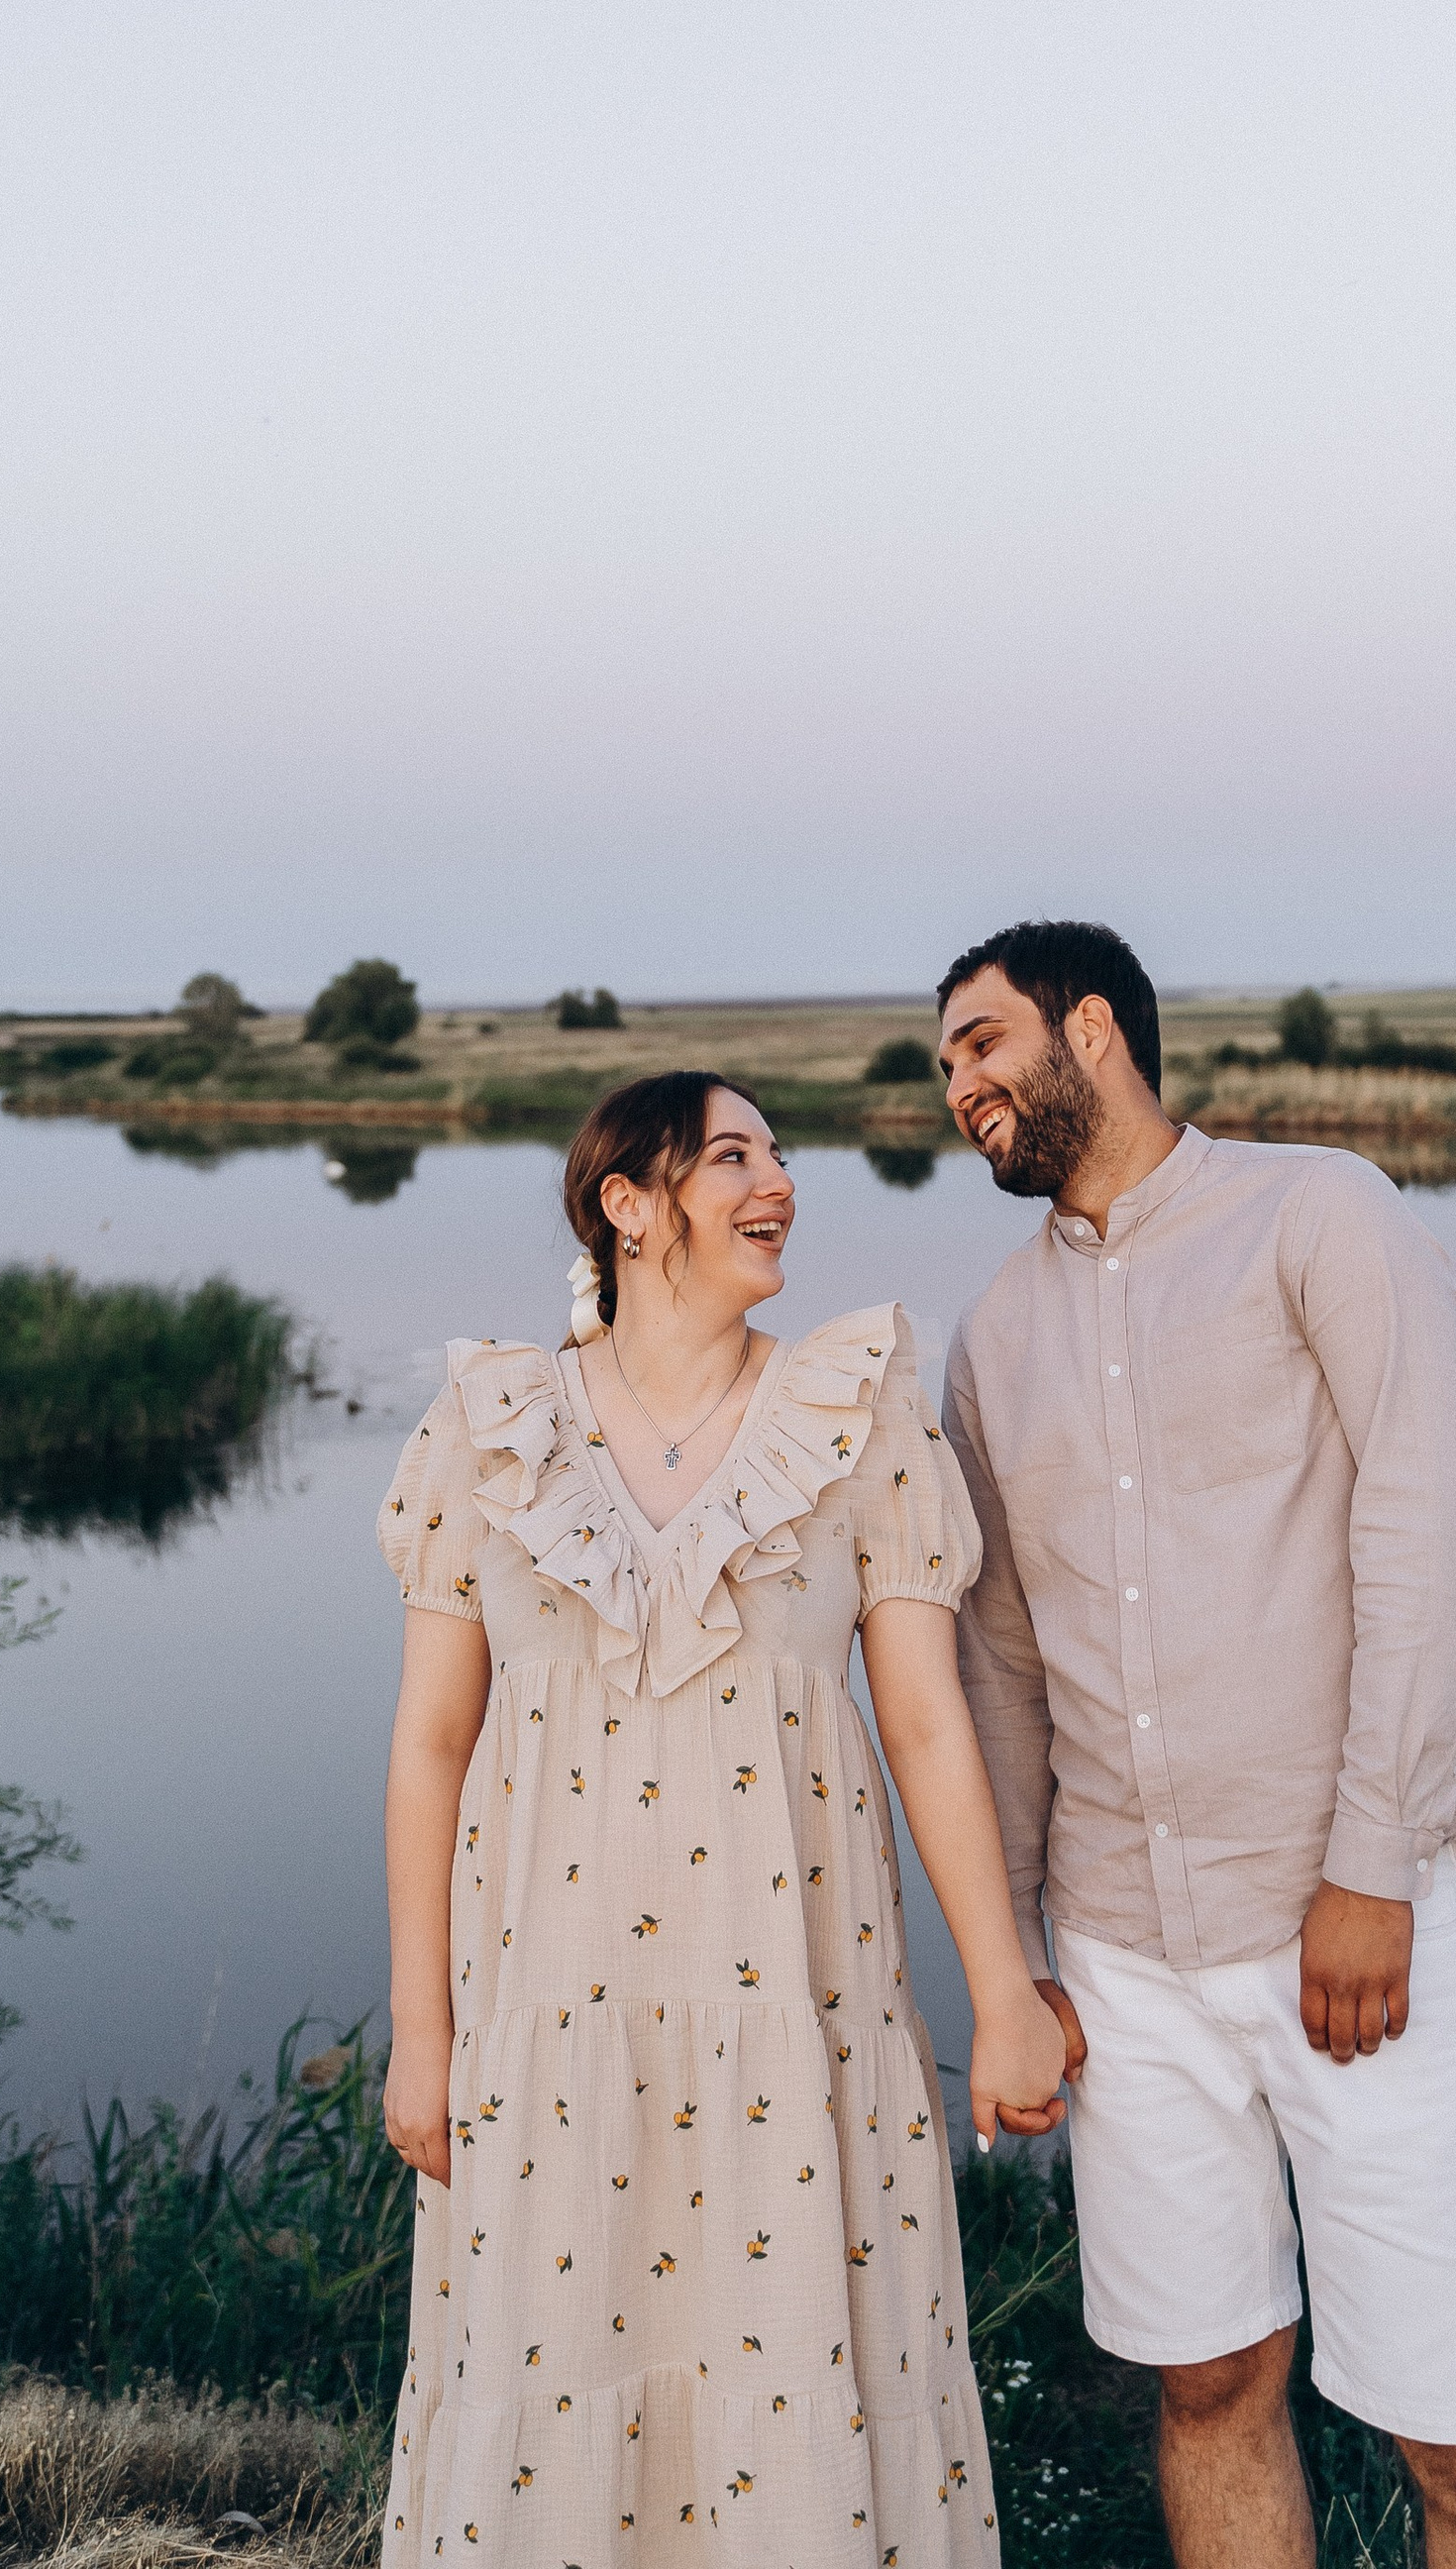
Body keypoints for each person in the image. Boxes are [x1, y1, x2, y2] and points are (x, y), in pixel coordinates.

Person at [936, 922, 1456, 2569]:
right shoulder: (992, 1340)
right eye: (946, 1064)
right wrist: (1017, 1955)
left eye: (981, 1045)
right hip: (1125, 1962)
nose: (961, 1088)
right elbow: (999, 1665)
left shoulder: (1319, 1214)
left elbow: (1430, 1537)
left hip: (1352, 1937)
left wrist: (1374, 1865)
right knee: (1211, 2382)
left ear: (1092, 1030)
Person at [374, 1068, 1067, 2564]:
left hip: (793, 2028)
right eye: (733, 1157)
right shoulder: (491, 1429)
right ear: (629, 1205)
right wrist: (422, 2032)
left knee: (794, 2393)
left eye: (781, 1155)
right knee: (550, 2385)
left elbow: (928, 1719)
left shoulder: (857, 1414)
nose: (780, 1187)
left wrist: (1004, 1991)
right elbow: (432, 1743)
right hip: (548, 2032)